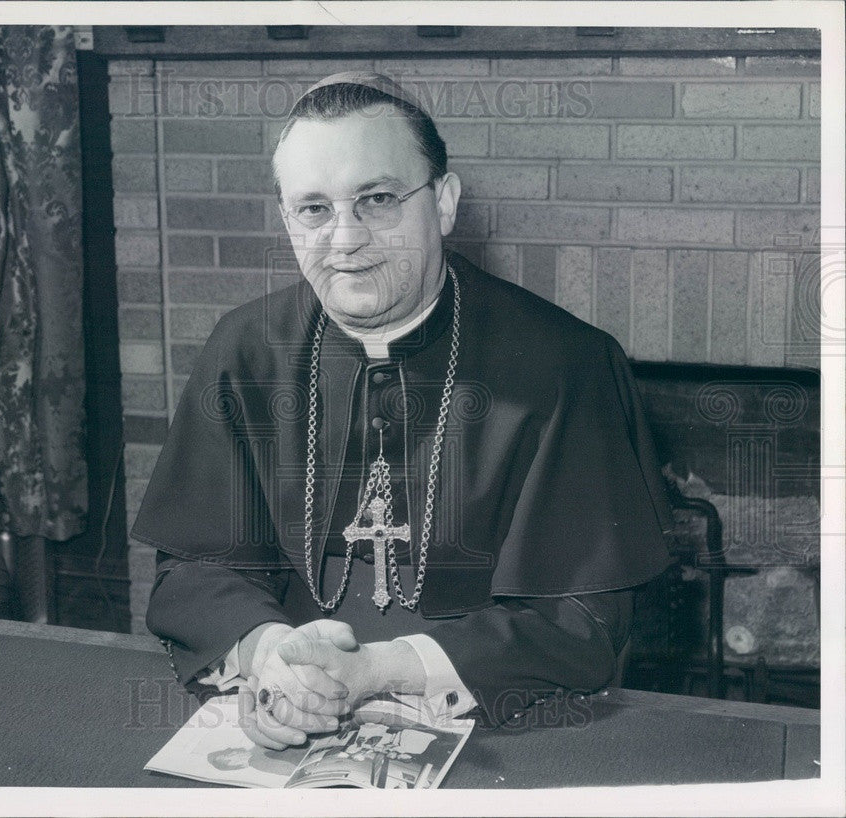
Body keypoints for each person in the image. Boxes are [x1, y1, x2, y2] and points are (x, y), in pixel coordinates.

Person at [134, 72, 674, 751]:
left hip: (495, 724)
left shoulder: (564, 364)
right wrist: (271, 656)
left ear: (443, 204)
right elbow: (192, 568)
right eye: (314, 209)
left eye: (378, 199)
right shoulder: (243, 350)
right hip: (287, 710)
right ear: (285, 218)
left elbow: (583, 624)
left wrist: (382, 670)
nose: (344, 240)